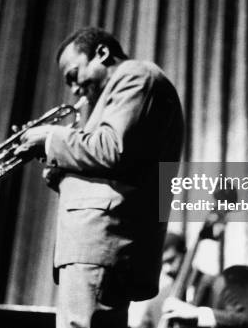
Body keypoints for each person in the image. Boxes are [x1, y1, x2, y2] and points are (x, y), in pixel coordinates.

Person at [15, 27, 185, 328]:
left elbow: (112, 148)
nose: (73, 89)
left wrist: (51, 138)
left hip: (102, 241)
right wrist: (59, 170)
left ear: (102, 54)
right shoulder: (117, 92)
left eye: (73, 75)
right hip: (95, 244)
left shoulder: (135, 76)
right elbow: (112, 164)